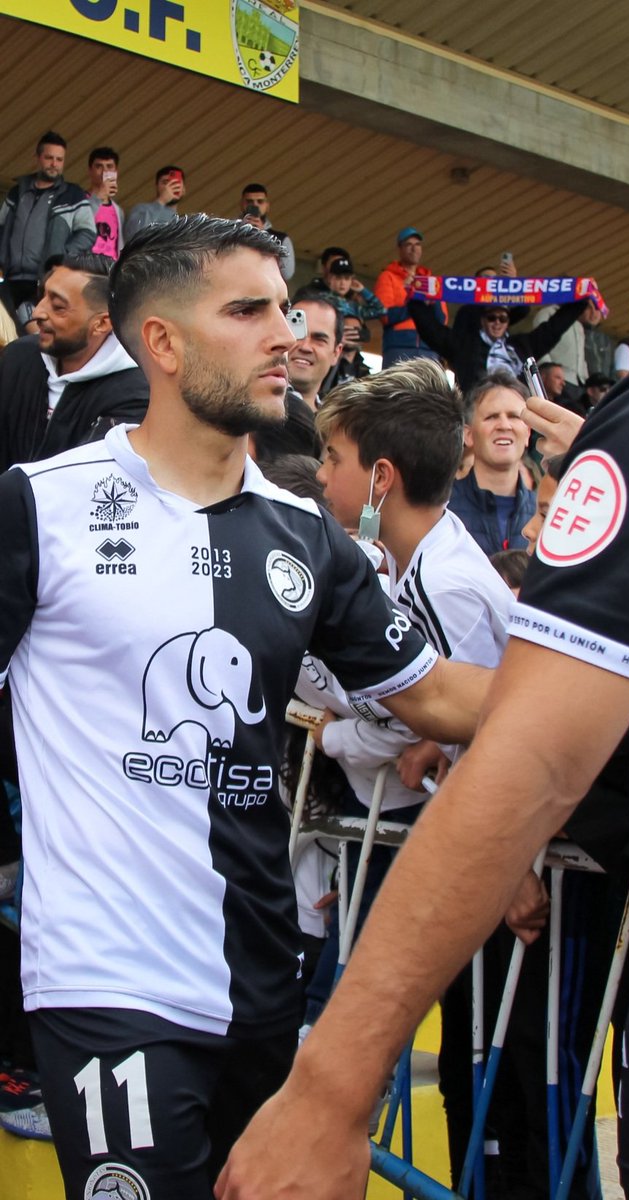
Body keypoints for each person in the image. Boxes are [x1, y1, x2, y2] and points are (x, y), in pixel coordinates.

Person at [215, 265, 629, 1200]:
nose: (323, 478)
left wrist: (326, 1092)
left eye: (336, 459)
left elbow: (531, 751)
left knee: (525, 1085)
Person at [0, 214, 486, 1199]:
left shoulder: (303, 534)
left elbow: (438, 694)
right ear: (163, 344)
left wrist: (620, 670)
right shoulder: (39, 503)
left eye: (289, 309)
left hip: (263, 991)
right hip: (109, 988)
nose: (291, 334)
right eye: (247, 309)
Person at [0, 252, 148, 472]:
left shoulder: (135, 394)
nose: (38, 312)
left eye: (58, 306)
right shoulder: (18, 357)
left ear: (102, 323)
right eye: (42, 296)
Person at [0, 131, 96, 322]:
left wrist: (62, 255)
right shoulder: (17, 192)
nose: (54, 164)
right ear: (37, 158)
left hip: (44, 281)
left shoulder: (72, 194)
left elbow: (88, 233)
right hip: (9, 279)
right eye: (49, 158)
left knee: (35, 334)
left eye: (59, 159)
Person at [407, 296, 588, 396]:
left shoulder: (521, 345)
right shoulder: (464, 345)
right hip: (476, 414)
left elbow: (553, 329)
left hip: (515, 413)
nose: (497, 322)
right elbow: (431, 330)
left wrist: (581, 300)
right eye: (491, 317)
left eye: (503, 318)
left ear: (508, 321)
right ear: (482, 320)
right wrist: (415, 299)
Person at [448, 370, 536, 556]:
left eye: (514, 416)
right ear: (468, 435)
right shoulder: (441, 508)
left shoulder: (546, 513)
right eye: (492, 417)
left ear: (528, 433)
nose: (504, 425)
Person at [374, 227, 447, 367]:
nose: (414, 249)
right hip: (398, 346)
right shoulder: (387, 277)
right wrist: (416, 304)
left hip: (429, 348)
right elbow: (384, 315)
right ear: (399, 249)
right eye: (408, 245)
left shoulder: (430, 281)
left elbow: (441, 319)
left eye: (417, 245)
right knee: (397, 389)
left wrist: (432, 303)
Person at [288, 291, 344, 409]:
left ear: (336, 353)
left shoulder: (339, 425)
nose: (305, 347)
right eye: (297, 334)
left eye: (319, 340)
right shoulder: (243, 409)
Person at [239, 182, 295, 280]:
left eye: (260, 201)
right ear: (241, 204)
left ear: (267, 206)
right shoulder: (227, 232)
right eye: (249, 202)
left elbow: (287, 273)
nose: (255, 205)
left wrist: (264, 238)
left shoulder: (281, 239)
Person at [123, 164, 186, 242]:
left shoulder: (182, 223)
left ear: (183, 190)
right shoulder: (141, 209)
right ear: (157, 186)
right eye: (165, 182)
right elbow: (133, 236)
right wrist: (161, 201)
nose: (169, 187)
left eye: (175, 183)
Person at [86, 146, 124, 261]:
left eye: (109, 167)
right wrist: (99, 196)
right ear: (90, 170)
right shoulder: (80, 201)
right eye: (99, 166)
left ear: (116, 172)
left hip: (109, 273)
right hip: (86, 269)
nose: (104, 172)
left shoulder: (118, 210)